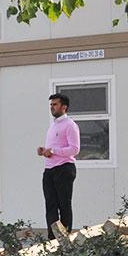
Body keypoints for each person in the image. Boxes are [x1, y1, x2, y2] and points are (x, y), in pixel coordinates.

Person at [38, 93, 80, 239]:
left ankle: (65, 235)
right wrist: (44, 151)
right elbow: (54, 148)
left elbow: (74, 149)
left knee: (64, 204)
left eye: (55, 104)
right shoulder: (53, 125)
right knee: (50, 204)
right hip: (49, 169)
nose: (52, 107)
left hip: (64, 168)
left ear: (64, 107)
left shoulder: (70, 125)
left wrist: (53, 151)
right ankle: (53, 237)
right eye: (51, 104)